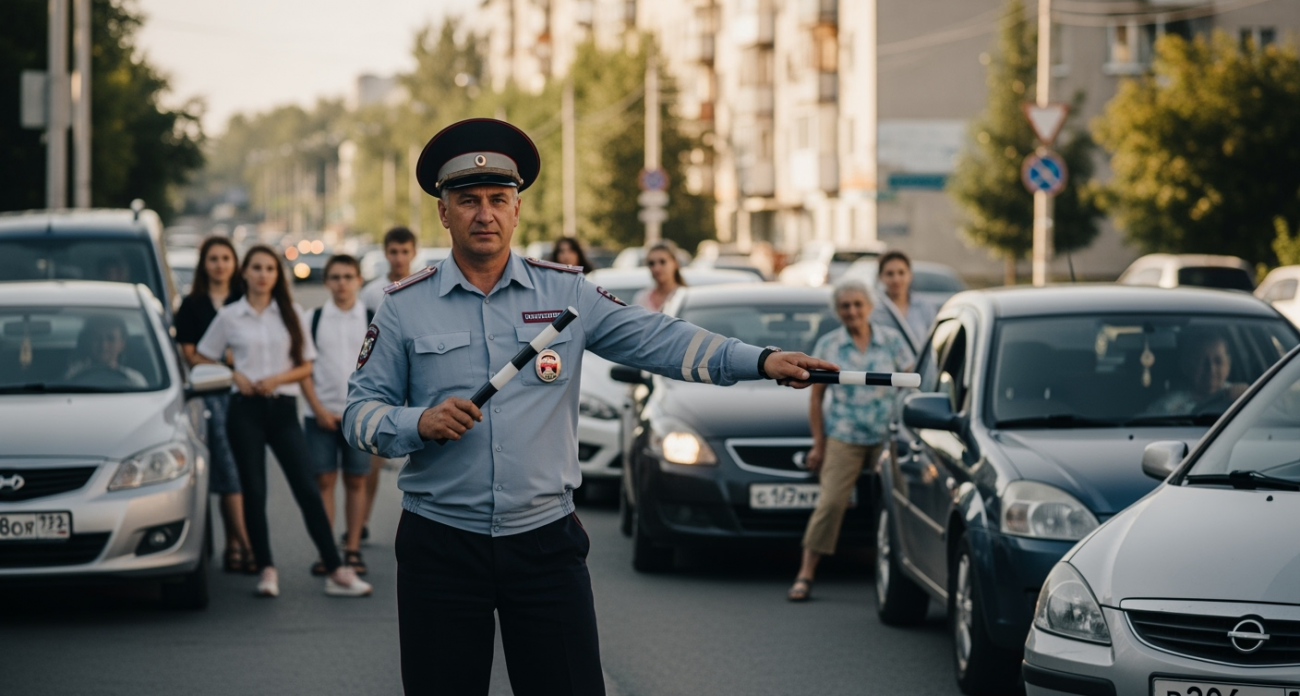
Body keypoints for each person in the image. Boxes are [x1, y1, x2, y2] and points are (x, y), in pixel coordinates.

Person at [343, 117, 836, 695]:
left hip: (544, 542)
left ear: (518, 209)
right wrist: (417, 422)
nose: (485, 214)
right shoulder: (404, 307)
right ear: (443, 212)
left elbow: (660, 340)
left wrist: (760, 360)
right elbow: (359, 414)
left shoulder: (566, 294)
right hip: (441, 544)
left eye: (499, 199)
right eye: (468, 200)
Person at [196, 245, 372, 599]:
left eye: (270, 269)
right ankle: (266, 569)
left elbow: (307, 364)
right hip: (243, 410)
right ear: (244, 273)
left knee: (307, 488)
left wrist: (277, 379)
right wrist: (234, 375)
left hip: (282, 409)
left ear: (278, 275)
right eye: (256, 268)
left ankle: (336, 568)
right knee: (255, 491)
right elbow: (201, 356)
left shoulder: (291, 313)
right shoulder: (230, 316)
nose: (263, 274)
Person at [788, 278, 913, 602]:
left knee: (903, 501)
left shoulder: (891, 341)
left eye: (858, 304)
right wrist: (819, 443)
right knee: (830, 502)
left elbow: (913, 384)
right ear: (838, 311)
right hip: (845, 435)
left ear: (869, 307)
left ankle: (909, 571)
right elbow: (815, 399)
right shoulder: (829, 346)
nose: (852, 311)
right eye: (845, 306)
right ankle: (806, 573)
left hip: (887, 435)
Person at [174, 237, 254, 574]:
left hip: (247, 397)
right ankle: (247, 547)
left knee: (244, 469)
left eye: (225, 258)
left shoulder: (245, 300)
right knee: (226, 470)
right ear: (203, 264)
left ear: (234, 264)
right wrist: (229, 366)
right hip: (210, 398)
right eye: (213, 259)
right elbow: (191, 356)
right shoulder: (191, 305)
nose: (220, 265)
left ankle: (234, 545)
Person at [301, 254, 374, 576]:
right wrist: (317, 408)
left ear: (359, 280)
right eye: (335, 277)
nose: (342, 283)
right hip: (320, 415)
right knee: (324, 481)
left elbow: (381, 371)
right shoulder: (313, 318)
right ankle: (327, 552)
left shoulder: (372, 319)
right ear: (326, 281)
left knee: (356, 480)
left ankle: (353, 548)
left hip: (359, 416)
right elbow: (304, 369)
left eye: (348, 276)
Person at [356, 226, 420, 544]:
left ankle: (418, 524)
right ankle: (363, 520)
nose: (399, 258)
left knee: (420, 456)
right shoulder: (371, 293)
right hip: (387, 381)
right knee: (374, 457)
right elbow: (367, 342)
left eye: (405, 251)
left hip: (418, 382)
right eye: (394, 251)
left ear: (414, 252)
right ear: (385, 253)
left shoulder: (422, 286)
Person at [1145, 332, 1248, 416]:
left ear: (1228, 364)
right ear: (1187, 367)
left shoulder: (1243, 397)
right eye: (1202, 362)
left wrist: (1246, 396)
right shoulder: (1166, 407)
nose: (1211, 369)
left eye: (1218, 361)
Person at [872, 250, 939, 354]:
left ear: (910, 275)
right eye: (890, 274)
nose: (896, 279)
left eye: (901, 273)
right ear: (880, 277)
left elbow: (933, 344)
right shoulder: (873, 309)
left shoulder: (925, 307)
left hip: (919, 369)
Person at [64, 314, 148, 388]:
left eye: (111, 339)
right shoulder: (73, 377)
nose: (103, 345)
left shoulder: (135, 381)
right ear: (88, 342)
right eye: (97, 338)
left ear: (122, 344)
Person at [632, 240, 686, 311]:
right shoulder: (642, 299)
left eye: (662, 262)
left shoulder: (686, 297)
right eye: (651, 263)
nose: (656, 268)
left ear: (675, 263)